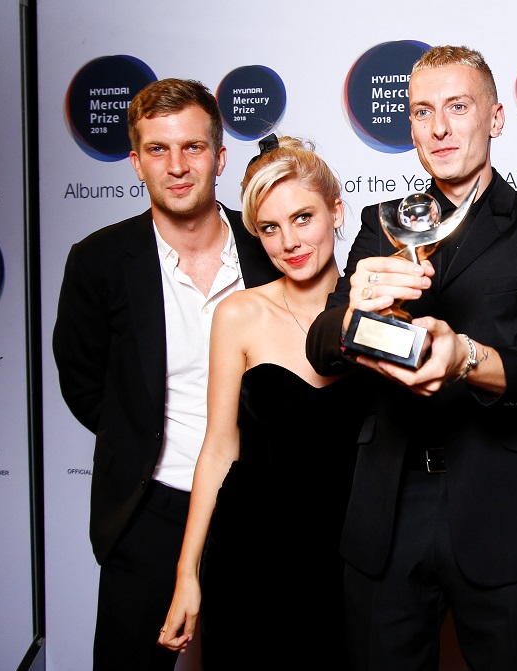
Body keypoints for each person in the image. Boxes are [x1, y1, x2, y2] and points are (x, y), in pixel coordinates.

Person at [306, 45, 517, 670]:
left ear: (495, 117)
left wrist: (463, 356)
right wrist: (357, 311)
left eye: (457, 107)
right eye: (421, 111)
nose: (438, 128)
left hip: (502, 507)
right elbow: (322, 346)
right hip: (389, 509)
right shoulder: (385, 226)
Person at [52, 78, 280, 671]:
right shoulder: (98, 261)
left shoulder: (269, 250)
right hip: (149, 509)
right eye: (158, 150)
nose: (177, 167)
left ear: (220, 157)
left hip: (257, 508)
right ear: (136, 162)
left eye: (193, 148)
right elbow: (82, 381)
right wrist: (143, 438)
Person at [156, 135, 362, 668]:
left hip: (353, 558)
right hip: (250, 555)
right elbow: (218, 449)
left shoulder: (379, 309)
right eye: (270, 228)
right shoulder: (240, 314)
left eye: (302, 218)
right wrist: (187, 575)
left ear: (336, 211)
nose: (289, 241)